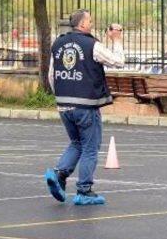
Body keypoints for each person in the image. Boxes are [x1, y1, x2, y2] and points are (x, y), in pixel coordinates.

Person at [45, 10, 124, 206]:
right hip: (86, 105)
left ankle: (59, 174)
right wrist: (116, 39)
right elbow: (118, 61)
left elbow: (51, 76)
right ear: (81, 24)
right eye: (89, 20)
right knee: (90, 147)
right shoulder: (92, 45)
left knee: (76, 142)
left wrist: (61, 97)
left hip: (64, 105)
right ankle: (84, 190)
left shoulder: (58, 43)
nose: (91, 23)